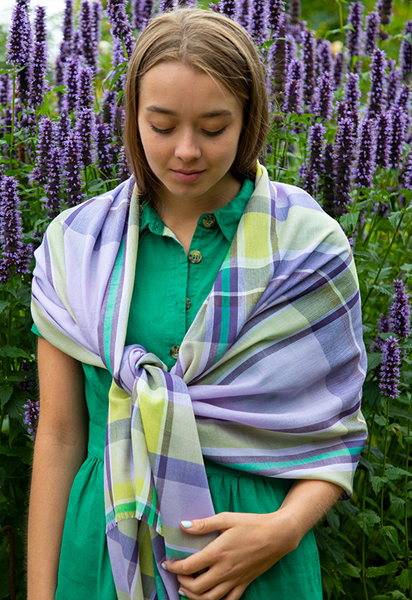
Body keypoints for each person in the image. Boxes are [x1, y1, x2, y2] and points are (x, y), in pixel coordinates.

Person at [28, 7, 367, 600]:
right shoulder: (74, 248)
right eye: (161, 126)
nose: (186, 150)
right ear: (133, 116)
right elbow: (58, 436)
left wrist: (282, 532)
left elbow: (336, 432)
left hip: (255, 566)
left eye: (213, 128)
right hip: (105, 556)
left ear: (248, 120)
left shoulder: (307, 244)